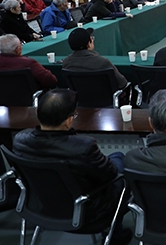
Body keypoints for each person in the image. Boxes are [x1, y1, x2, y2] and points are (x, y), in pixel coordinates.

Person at [12, 89, 132, 245]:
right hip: (87, 212)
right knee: (121, 167)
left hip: (43, 205)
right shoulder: (83, 147)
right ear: (69, 121)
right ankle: (115, 237)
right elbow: (110, 174)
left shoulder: (20, 141)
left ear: (37, 112)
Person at [62, 27, 128, 90]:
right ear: (89, 44)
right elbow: (122, 83)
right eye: (91, 39)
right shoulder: (103, 62)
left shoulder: (66, 63)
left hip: (79, 97)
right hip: (105, 97)